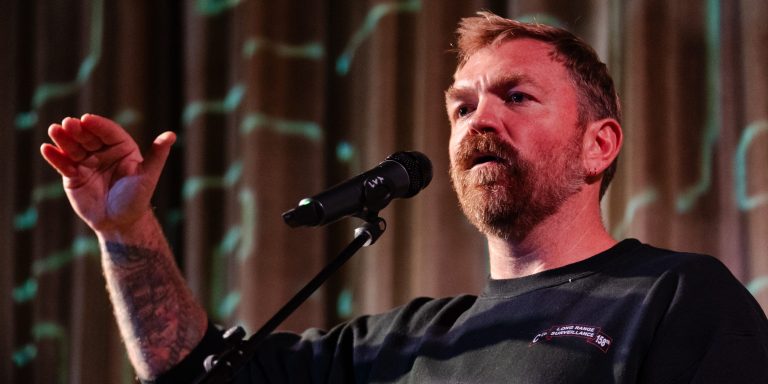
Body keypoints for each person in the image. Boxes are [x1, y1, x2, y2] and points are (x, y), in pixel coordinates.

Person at [41, 11, 768, 384]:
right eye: (462, 107)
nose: (479, 121)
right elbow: (192, 372)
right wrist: (126, 228)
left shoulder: (676, 297)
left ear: (598, 146)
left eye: (517, 97)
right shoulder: (401, 345)